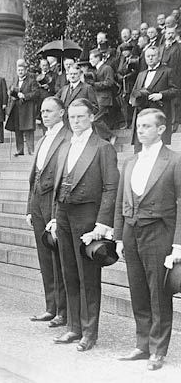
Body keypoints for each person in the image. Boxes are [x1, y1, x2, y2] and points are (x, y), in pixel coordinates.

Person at [49, 98, 119, 351]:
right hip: (65, 213)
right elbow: (58, 186)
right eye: (72, 117)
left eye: (80, 117)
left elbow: (111, 188)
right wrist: (56, 217)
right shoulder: (65, 146)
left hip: (88, 217)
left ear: (91, 118)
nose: (75, 121)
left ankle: (90, 332)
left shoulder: (102, 148)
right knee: (69, 272)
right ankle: (74, 327)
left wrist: (103, 223)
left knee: (88, 276)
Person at [114, 108, 181, 370]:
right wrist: (119, 237)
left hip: (159, 232)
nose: (140, 131)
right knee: (138, 290)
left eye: (146, 126)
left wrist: (178, 243)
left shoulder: (174, 161)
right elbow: (121, 201)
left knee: (158, 292)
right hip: (132, 231)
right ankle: (142, 344)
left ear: (161, 129)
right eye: (138, 126)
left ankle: (158, 349)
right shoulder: (130, 161)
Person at [26, 97, 71, 328]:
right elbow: (34, 175)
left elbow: (65, 178)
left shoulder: (68, 138)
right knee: (45, 259)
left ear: (61, 113)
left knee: (59, 258)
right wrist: (29, 207)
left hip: (54, 204)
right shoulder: (44, 138)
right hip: (38, 203)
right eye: (42, 111)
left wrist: (56, 213)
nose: (44, 115)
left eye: (49, 111)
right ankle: (50, 307)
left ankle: (63, 311)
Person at [130, 46, 179, 151]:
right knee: (139, 147)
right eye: (148, 56)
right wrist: (133, 100)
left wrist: (161, 95)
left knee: (158, 146)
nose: (150, 58)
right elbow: (134, 92)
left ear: (159, 57)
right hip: (142, 112)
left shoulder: (167, 71)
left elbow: (176, 90)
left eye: (153, 55)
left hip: (159, 111)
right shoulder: (141, 74)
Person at [5, 59, 39, 156]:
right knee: (17, 130)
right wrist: (11, 93)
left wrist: (25, 96)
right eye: (18, 70)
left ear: (25, 70)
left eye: (22, 70)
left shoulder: (31, 81)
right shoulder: (14, 80)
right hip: (16, 108)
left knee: (28, 129)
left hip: (27, 109)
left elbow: (36, 93)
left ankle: (31, 150)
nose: (20, 72)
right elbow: (11, 90)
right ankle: (20, 150)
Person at [89, 49, 117, 140]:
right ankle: (106, 139)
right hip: (98, 98)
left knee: (95, 119)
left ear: (98, 58)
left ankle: (111, 136)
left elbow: (110, 82)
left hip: (105, 98)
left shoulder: (106, 68)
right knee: (98, 120)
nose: (90, 61)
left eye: (92, 59)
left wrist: (94, 84)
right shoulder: (96, 70)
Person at [159, 27, 181, 130]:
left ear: (175, 34)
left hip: (176, 76)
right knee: (164, 99)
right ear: (165, 35)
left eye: (172, 33)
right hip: (163, 76)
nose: (170, 35)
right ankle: (166, 123)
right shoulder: (161, 47)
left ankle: (174, 123)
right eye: (168, 33)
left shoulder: (179, 47)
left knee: (175, 100)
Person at [116, 43, 139, 129]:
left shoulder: (134, 58)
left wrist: (126, 76)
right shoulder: (122, 60)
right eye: (123, 51)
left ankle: (133, 122)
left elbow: (135, 71)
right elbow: (119, 71)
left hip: (132, 84)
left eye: (126, 50)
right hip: (124, 85)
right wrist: (120, 76)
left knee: (132, 104)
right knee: (124, 104)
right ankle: (127, 122)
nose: (125, 53)